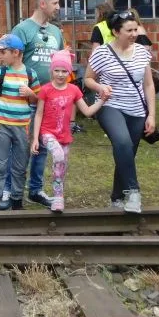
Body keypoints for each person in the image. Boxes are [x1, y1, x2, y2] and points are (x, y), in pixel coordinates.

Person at [84, 10, 156, 214]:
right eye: (129, 30)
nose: (134, 34)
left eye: (136, 29)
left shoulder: (142, 52)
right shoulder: (102, 53)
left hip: (137, 110)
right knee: (122, 142)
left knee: (126, 154)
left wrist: (151, 115)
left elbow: (149, 85)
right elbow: (88, 79)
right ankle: (133, 192)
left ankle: (117, 197)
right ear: (116, 32)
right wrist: (100, 88)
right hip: (110, 106)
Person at [9, 0, 64, 207]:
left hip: (48, 99)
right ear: (42, 4)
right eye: (55, 3)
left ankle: (35, 189)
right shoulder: (22, 30)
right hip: (26, 100)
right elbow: (12, 61)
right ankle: (12, 191)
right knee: (21, 146)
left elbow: (59, 64)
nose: (58, 7)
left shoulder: (56, 32)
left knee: (41, 146)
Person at [30, 49, 104, 213]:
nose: (60, 74)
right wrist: (35, 138)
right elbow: (39, 114)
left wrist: (102, 100)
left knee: (61, 169)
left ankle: (58, 198)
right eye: (57, 70)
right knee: (58, 155)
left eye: (64, 71)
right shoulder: (45, 90)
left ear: (70, 72)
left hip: (64, 136)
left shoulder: (74, 90)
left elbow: (87, 112)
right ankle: (55, 196)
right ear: (51, 70)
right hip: (47, 133)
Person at [0, 33, 43, 211]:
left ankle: (17, 200)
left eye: (2, 52)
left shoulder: (31, 74)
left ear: (15, 52)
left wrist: (31, 94)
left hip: (22, 127)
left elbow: (38, 100)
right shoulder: (1, 71)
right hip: (2, 126)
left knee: (20, 165)